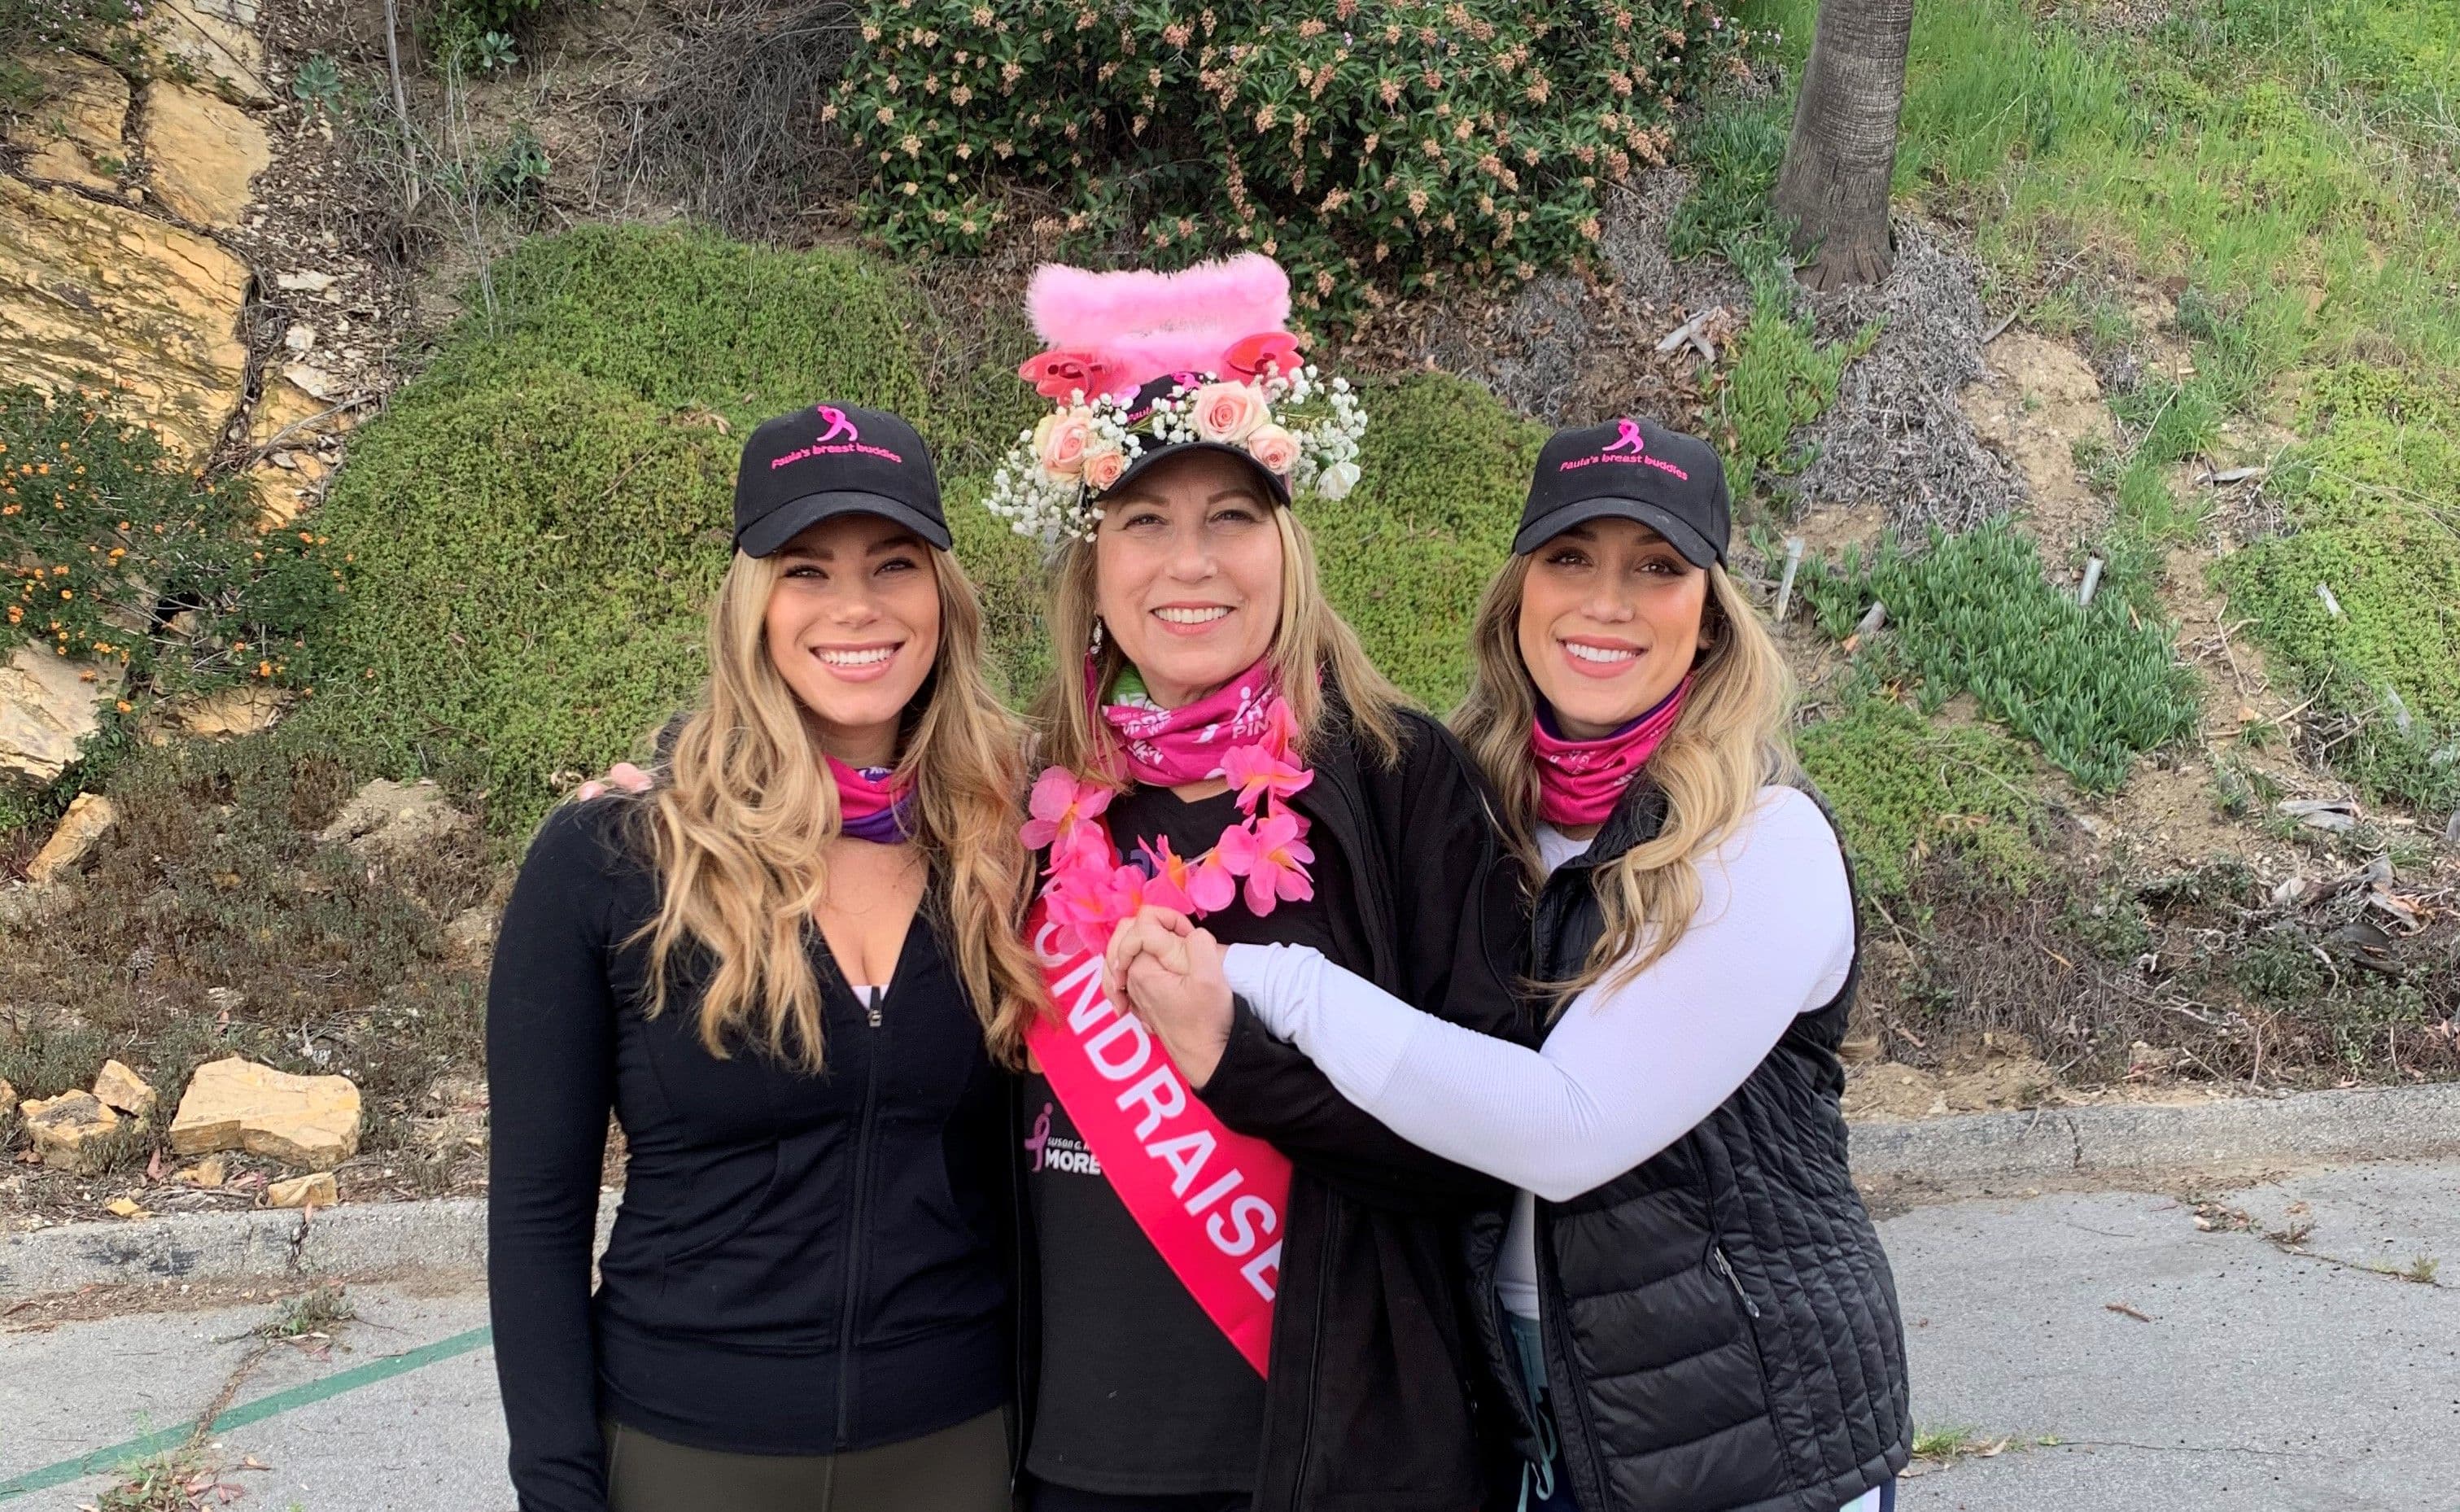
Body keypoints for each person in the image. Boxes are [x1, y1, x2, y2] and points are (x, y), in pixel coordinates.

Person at [1108, 417, 1913, 1512]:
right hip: (1540, 1420)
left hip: (1740, 1440)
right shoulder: (1480, 801)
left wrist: (1277, 984)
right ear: (1521, 590)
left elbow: (1564, 1127)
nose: (1607, 600)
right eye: (1571, 558)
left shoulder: (1760, 840)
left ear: (1713, 617)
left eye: (1657, 567)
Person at [994, 255, 1528, 1512]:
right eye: (1144, 519)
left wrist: (1236, 1058)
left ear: (1286, 543)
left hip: (1329, 1460)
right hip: (1068, 1460)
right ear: (1094, 560)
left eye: (1231, 516)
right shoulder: (1029, 795)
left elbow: (1488, 1141)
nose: (1192, 564)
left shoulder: (1401, 783)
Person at [486, 403, 1045, 1512]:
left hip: (959, 1445)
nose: (855, 608)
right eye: (806, 569)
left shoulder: (1014, 846)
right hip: (689, 1450)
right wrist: (556, 1484)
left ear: (944, 596)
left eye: (893, 563)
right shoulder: (613, 860)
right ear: (752, 605)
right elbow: (538, 1211)